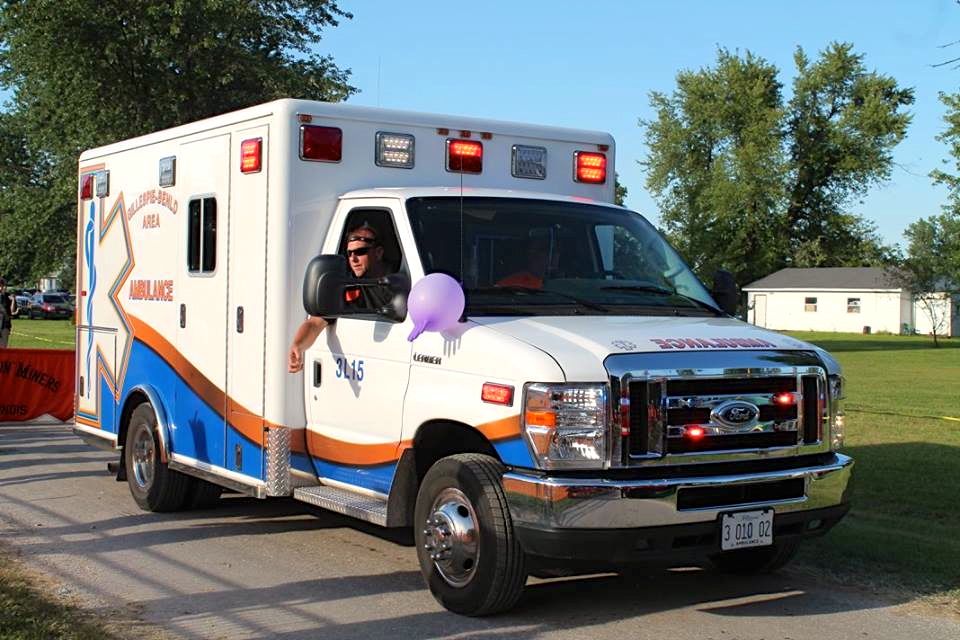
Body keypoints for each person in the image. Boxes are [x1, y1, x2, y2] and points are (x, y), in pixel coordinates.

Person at [287, 223, 390, 373]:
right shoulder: (347, 286)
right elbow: (315, 322)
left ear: (379, 252)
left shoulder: (401, 283)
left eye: (360, 252)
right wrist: (298, 345)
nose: (353, 259)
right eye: (349, 254)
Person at [0, 277, 18, 348]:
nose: (3, 287)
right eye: (1, 285)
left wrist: (13, 300)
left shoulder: (8, 296)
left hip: (5, 324)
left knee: (3, 346)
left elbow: (12, 311)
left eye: (4, 286)